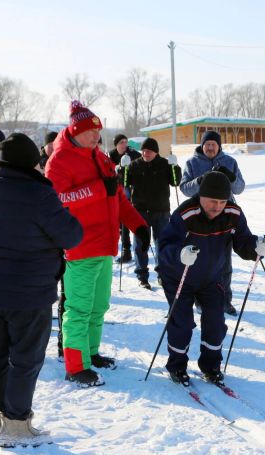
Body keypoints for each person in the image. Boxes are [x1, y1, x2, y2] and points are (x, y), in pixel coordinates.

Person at [0, 132, 83, 448]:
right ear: (29, 162)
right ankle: (17, 424)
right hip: (28, 290)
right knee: (25, 358)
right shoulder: (38, 194)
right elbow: (71, 235)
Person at [45, 101, 148, 387]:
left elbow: (116, 197)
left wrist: (137, 223)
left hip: (105, 244)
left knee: (99, 305)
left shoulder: (100, 157)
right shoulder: (60, 160)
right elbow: (56, 200)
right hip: (79, 245)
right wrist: (95, 190)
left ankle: (91, 353)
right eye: (92, 132)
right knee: (78, 308)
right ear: (76, 131)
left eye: (98, 131)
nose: (97, 136)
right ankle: (75, 366)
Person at [158, 171, 265, 384]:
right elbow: (165, 247)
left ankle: (211, 366)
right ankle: (177, 366)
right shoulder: (185, 214)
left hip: (211, 277)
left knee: (216, 323)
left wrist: (256, 247)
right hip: (179, 275)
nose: (217, 207)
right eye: (212, 201)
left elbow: (242, 242)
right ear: (201, 196)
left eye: (221, 201)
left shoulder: (233, 213)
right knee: (182, 323)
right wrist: (180, 255)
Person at [179, 131, 245, 316]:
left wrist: (230, 178)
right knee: (200, 261)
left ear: (219, 146)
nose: (210, 147)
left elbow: (240, 188)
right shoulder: (192, 163)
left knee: (225, 262)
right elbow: (184, 188)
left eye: (213, 144)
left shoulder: (230, 162)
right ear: (202, 145)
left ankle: (225, 301)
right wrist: (200, 181)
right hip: (199, 217)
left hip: (225, 215)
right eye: (207, 144)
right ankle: (201, 301)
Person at [124, 137, 181, 289]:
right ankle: (142, 276)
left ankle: (162, 274)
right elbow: (124, 184)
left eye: (149, 151)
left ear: (155, 152)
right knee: (141, 244)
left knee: (162, 243)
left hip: (161, 211)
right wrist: (122, 170)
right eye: (143, 150)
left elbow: (176, 182)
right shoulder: (135, 165)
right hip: (140, 212)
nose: (145, 153)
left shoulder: (164, 164)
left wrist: (175, 166)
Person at [108, 134, 142, 264]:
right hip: (116, 192)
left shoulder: (133, 154)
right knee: (119, 223)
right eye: (121, 142)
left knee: (129, 220)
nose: (124, 145)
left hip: (131, 191)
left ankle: (133, 249)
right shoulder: (111, 156)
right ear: (116, 145)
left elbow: (140, 167)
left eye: (125, 142)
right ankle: (124, 249)